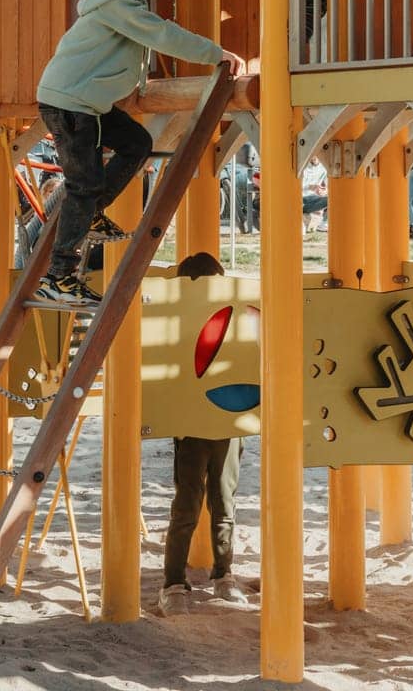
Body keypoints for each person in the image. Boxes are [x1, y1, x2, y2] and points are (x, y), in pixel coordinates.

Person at [35, 0, 244, 306]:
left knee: (137, 144)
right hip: (70, 105)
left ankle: (93, 214)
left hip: (87, 104)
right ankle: (58, 277)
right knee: (82, 185)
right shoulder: (116, 1)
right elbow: (161, 35)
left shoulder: (124, 0)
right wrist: (216, 53)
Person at [159, 251, 247, 615]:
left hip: (227, 423)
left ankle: (223, 574)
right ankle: (174, 582)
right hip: (193, 425)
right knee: (189, 504)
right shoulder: (177, 323)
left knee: (222, 502)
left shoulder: (232, 318)